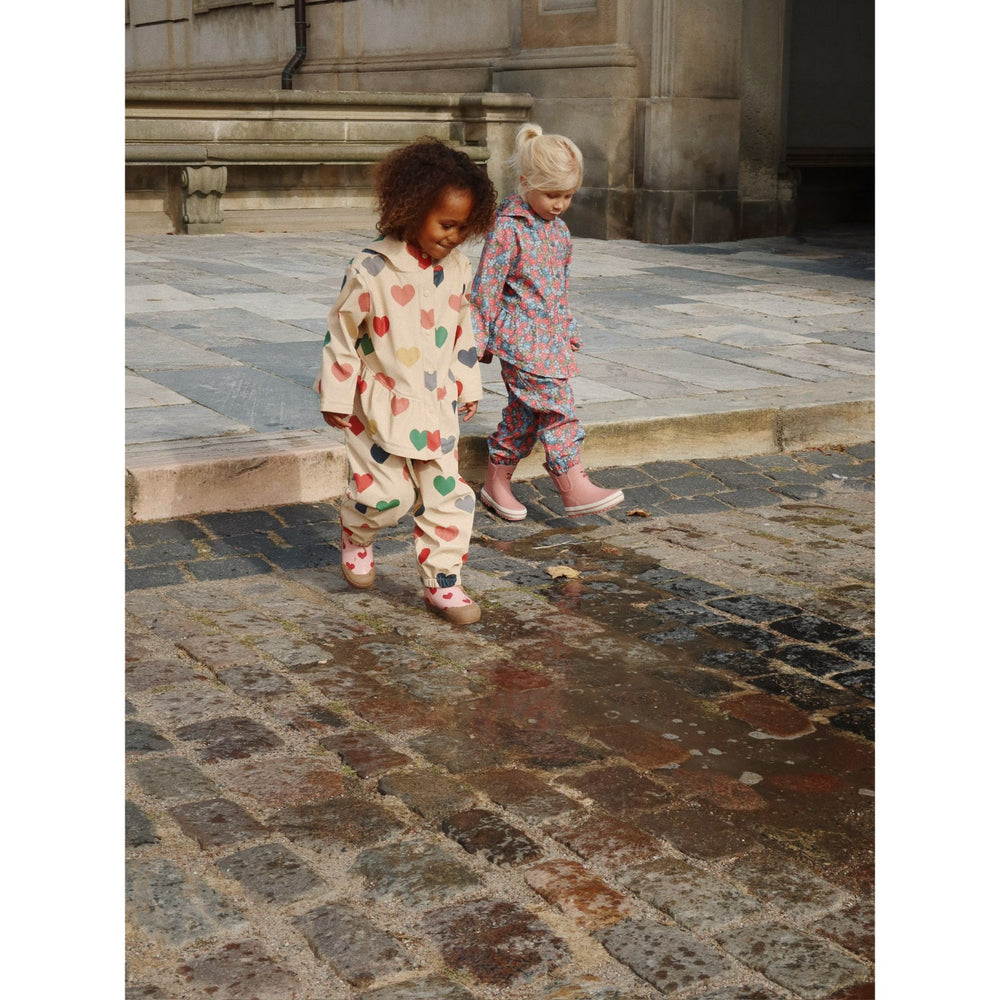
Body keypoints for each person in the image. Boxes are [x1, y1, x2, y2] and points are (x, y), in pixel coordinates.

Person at [317, 139, 497, 625]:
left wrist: (467, 383)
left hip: (435, 403)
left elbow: (461, 330)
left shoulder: (457, 268)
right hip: (377, 406)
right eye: (446, 225)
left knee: (450, 496)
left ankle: (444, 583)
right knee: (385, 496)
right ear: (411, 210)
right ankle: (357, 530)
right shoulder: (371, 268)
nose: (455, 237)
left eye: (464, 227)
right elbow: (342, 334)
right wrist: (337, 394)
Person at [470, 123, 624, 521]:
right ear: (526, 183)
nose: (560, 204)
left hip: (550, 340)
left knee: (524, 416)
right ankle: (573, 485)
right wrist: (476, 342)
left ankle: (496, 484)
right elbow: (486, 288)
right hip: (519, 339)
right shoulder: (508, 229)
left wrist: (567, 328)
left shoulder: (560, 232)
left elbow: (558, 287)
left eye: (568, 196)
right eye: (552, 194)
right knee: (557, 408)